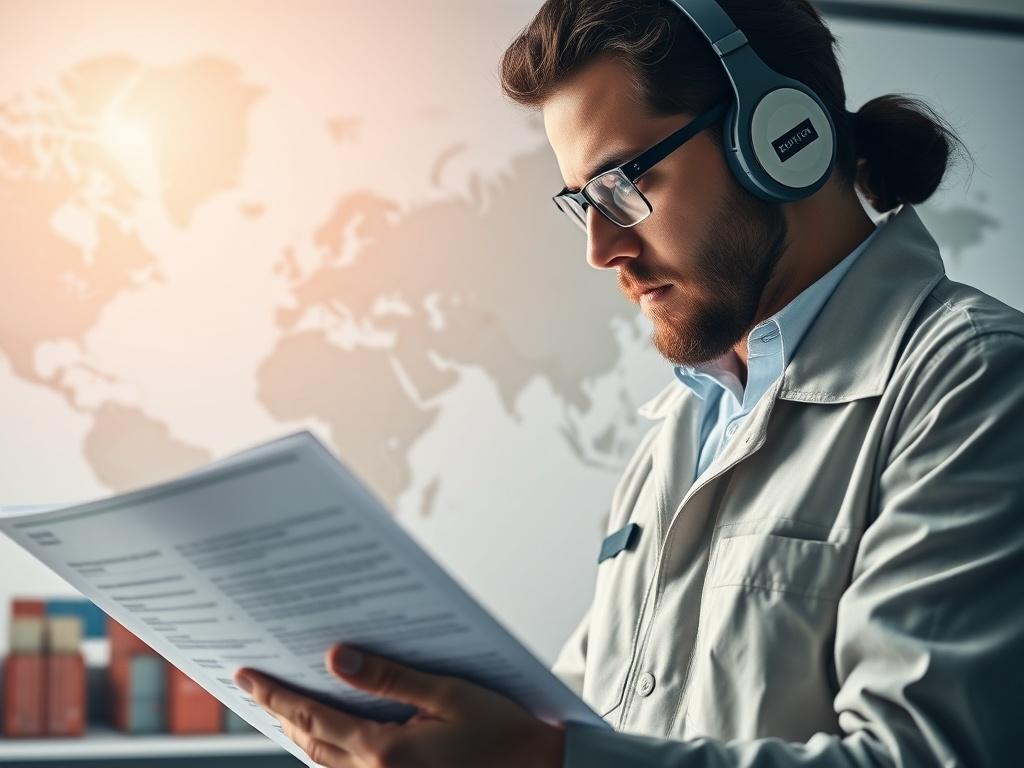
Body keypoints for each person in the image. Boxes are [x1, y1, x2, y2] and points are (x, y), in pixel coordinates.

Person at [233, 1, 1024, 765]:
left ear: (782, 138)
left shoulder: (974, 383)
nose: (601, 247)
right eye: (583, 202)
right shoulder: (683, 430)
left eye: (622, 184)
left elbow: (928, 756)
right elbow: (594, 724)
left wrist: (546, 764)